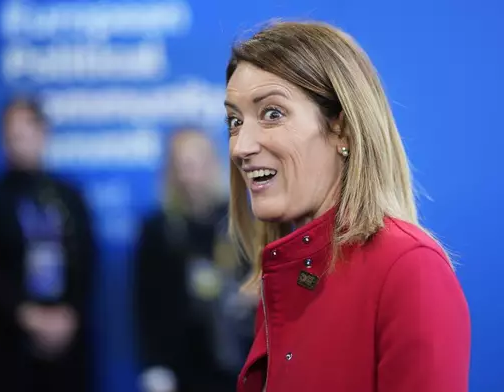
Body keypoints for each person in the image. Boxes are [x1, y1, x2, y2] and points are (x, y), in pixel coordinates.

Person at [224, 21, 471, 392]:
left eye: (272, 113)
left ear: (343, 128)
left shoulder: (409, 269)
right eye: (234, 121)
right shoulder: (284, 275)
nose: (241, 146)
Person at [0, 97, 96, 392]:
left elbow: (87, 260)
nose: (18, 142)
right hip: (7, 342)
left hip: (68, 339)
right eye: (11, 135)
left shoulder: (69, 196)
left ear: (43, 132)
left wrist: (69, 314)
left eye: (25, 132)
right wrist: (26, 315)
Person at [134, 128, 253, 392]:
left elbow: (262, 281)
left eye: (198, 163)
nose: (191, 175)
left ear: (213, 164)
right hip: (180, 361)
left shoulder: (241, 219)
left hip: (235, 355)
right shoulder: (157, 228)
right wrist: (155, 365)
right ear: (171, 172)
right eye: (182, 165)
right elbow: (146, 303)